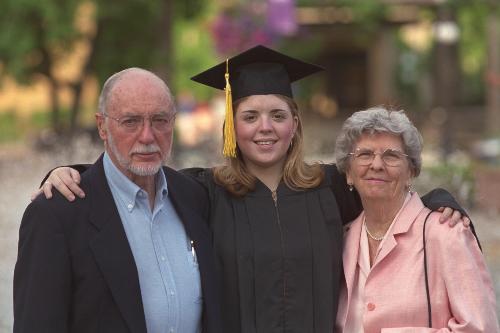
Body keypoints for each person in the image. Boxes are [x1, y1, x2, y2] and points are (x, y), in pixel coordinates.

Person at [33, 46, 469, 333]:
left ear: (295, 123)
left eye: (278, 115)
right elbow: (136, 167)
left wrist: (441, 202)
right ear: (231, 126)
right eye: (251, 116)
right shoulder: (203, 191)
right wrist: (66, 170)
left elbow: (390, 192)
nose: (265, 128)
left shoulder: (332, 186)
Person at [14, 68, 221, 333]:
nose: (147, 136)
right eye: (130, 121)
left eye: (159, 120)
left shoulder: (194, 196)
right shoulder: (56, 214)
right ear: (102, 126)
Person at [334, 107, 498, 332]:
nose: (377, 165)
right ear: (349, 173)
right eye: (365, 154)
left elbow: (482, 328)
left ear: (411, 172)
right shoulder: (342, 239)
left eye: (391, 155)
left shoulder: (447, 234)